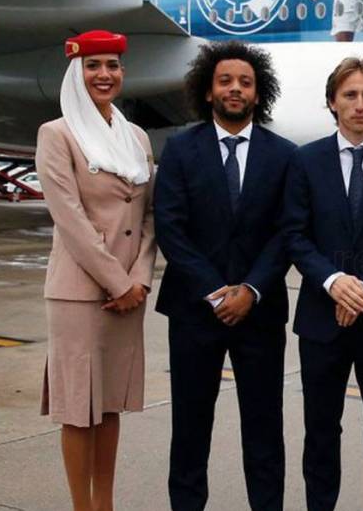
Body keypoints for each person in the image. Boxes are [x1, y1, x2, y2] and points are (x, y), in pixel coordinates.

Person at [154, 41, 296, 511]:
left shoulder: (284, 155)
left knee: (264, 429)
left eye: (245, 82)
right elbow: (171, 228)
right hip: (194, 312)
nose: (235, 89)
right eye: (225, 81)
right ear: (208, 91)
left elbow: (287, 231)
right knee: (190, 429)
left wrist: (251, 289)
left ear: (258, 93)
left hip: (260, 312)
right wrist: (216, 292)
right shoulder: (179, 150)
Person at [283, 56, 363, 510]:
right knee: (320, 431)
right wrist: (334, 281)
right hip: (322, 320)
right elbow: (294, 235)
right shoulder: (305, 160)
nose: (359, 104)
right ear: (332, 103)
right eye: (350, 94)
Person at [36, 30, 156, 511]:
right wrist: (119, 282)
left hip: (130, 291)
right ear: (76, 73)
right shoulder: (57, 134)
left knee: (108, 406)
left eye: (112, 65)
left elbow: (148, 216)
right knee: (78, 411)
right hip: (81, 294)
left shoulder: (136, 136)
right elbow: (69, 219)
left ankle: (104, 504)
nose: (104, 75)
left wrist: (140, 278)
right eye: (93, 66)